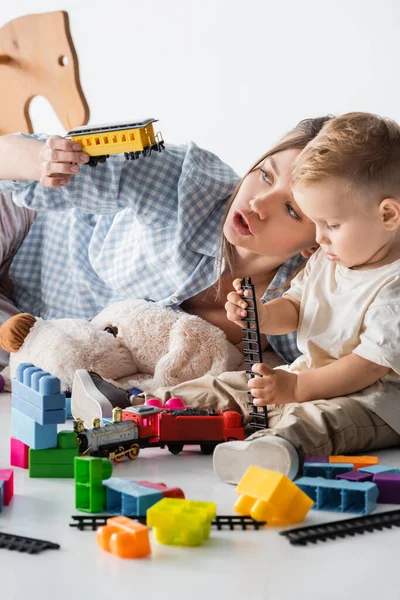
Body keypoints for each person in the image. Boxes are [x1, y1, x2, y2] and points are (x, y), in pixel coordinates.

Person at [73, 112, 400, 485]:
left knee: (318, 421)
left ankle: (273, 448)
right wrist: (260, 315)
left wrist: (295, 389)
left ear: (387, 215)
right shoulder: (332, 258)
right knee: (229, 385)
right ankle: (134, 409)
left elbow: (366, 367)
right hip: (307, 379)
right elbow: (295, 308)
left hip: (372, 401)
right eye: (317, 224)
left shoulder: (393, 288)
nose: (320, 238)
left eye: (332, 225)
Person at [0, 117, 327, 370]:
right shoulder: (185, 185)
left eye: (291, 209)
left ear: (316, 243)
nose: (258, 203)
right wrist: (47, 159)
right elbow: (7, 156)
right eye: (266, 175)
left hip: (29, 326)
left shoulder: (297, 306)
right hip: (27, 225)